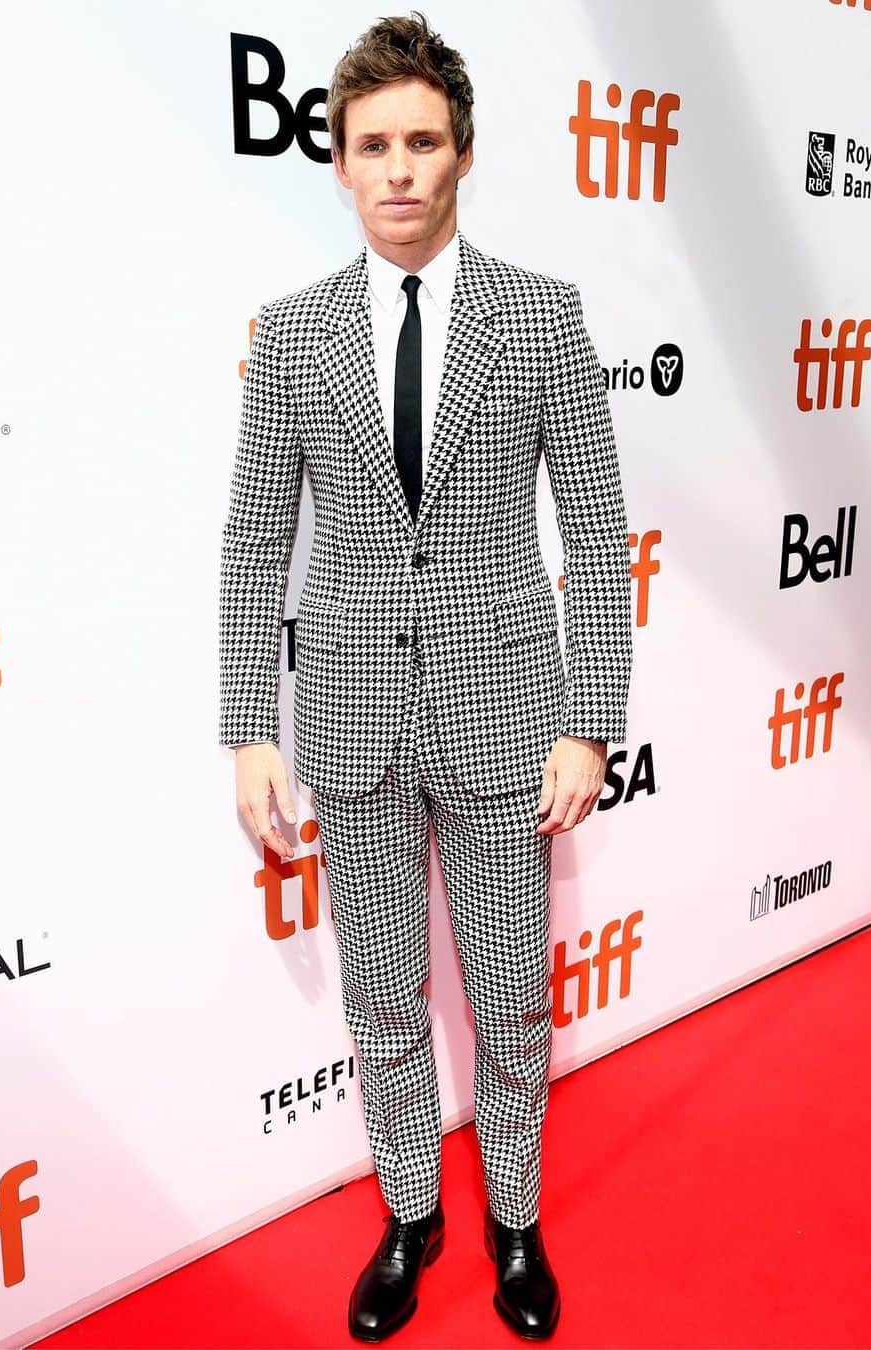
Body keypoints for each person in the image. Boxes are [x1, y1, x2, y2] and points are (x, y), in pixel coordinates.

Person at [219, 10, 632, 1341]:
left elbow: (601, 539)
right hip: (347, 723)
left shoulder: (542, 316)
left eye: (422, 142)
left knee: (512, 989)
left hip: (512, 717)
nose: (398, 167)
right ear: (339, 162)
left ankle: (513, 1214)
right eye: (373, 144)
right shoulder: (290, 335)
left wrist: (591, 724)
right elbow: (255, 539)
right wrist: (247, 727)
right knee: (381, 992)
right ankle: (413, 1212)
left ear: (461, 155)